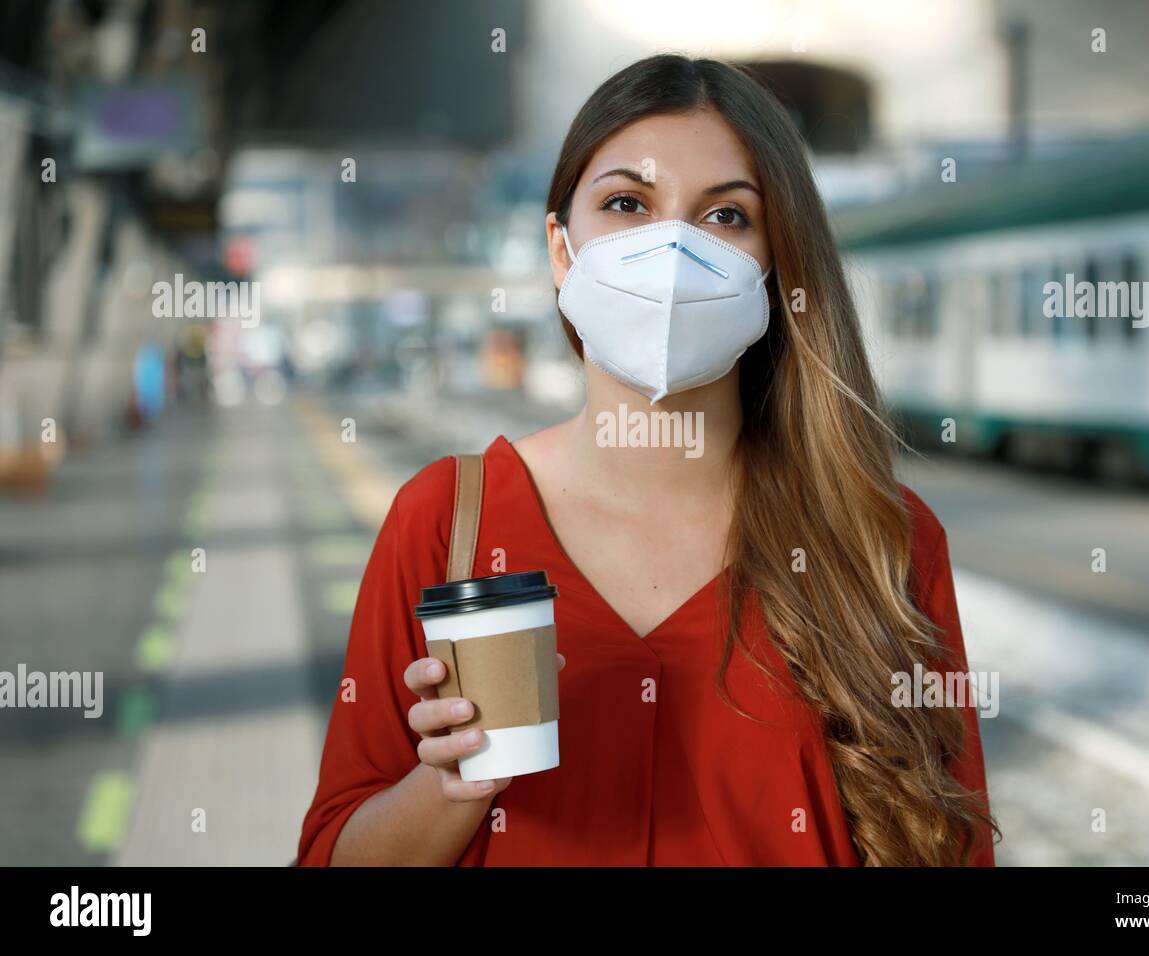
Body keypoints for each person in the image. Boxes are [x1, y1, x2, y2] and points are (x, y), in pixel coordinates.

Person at [298, 53, 998, 866]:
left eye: (727, 216)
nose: (672, 249)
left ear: (777, 273)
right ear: (563, 252)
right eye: (627, 203)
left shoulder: (885, 543)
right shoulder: (445, 522)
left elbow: (955, 849)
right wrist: (452, 784)